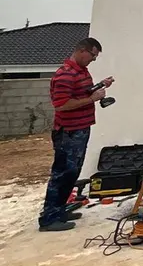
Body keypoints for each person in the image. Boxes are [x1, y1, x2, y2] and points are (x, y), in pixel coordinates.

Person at [38, 37, 115, 232]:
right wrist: (92, 99)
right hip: (68, 133)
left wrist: (99, 86)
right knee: (62, 173)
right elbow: (62, 104)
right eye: (93, 56)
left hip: (80, 129)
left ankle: (60, 210)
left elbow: (82, 93)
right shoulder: (65, 74)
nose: (93, 60)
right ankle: (49, 218)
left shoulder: (81, 71)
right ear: (82, 50)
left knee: (73, 172)